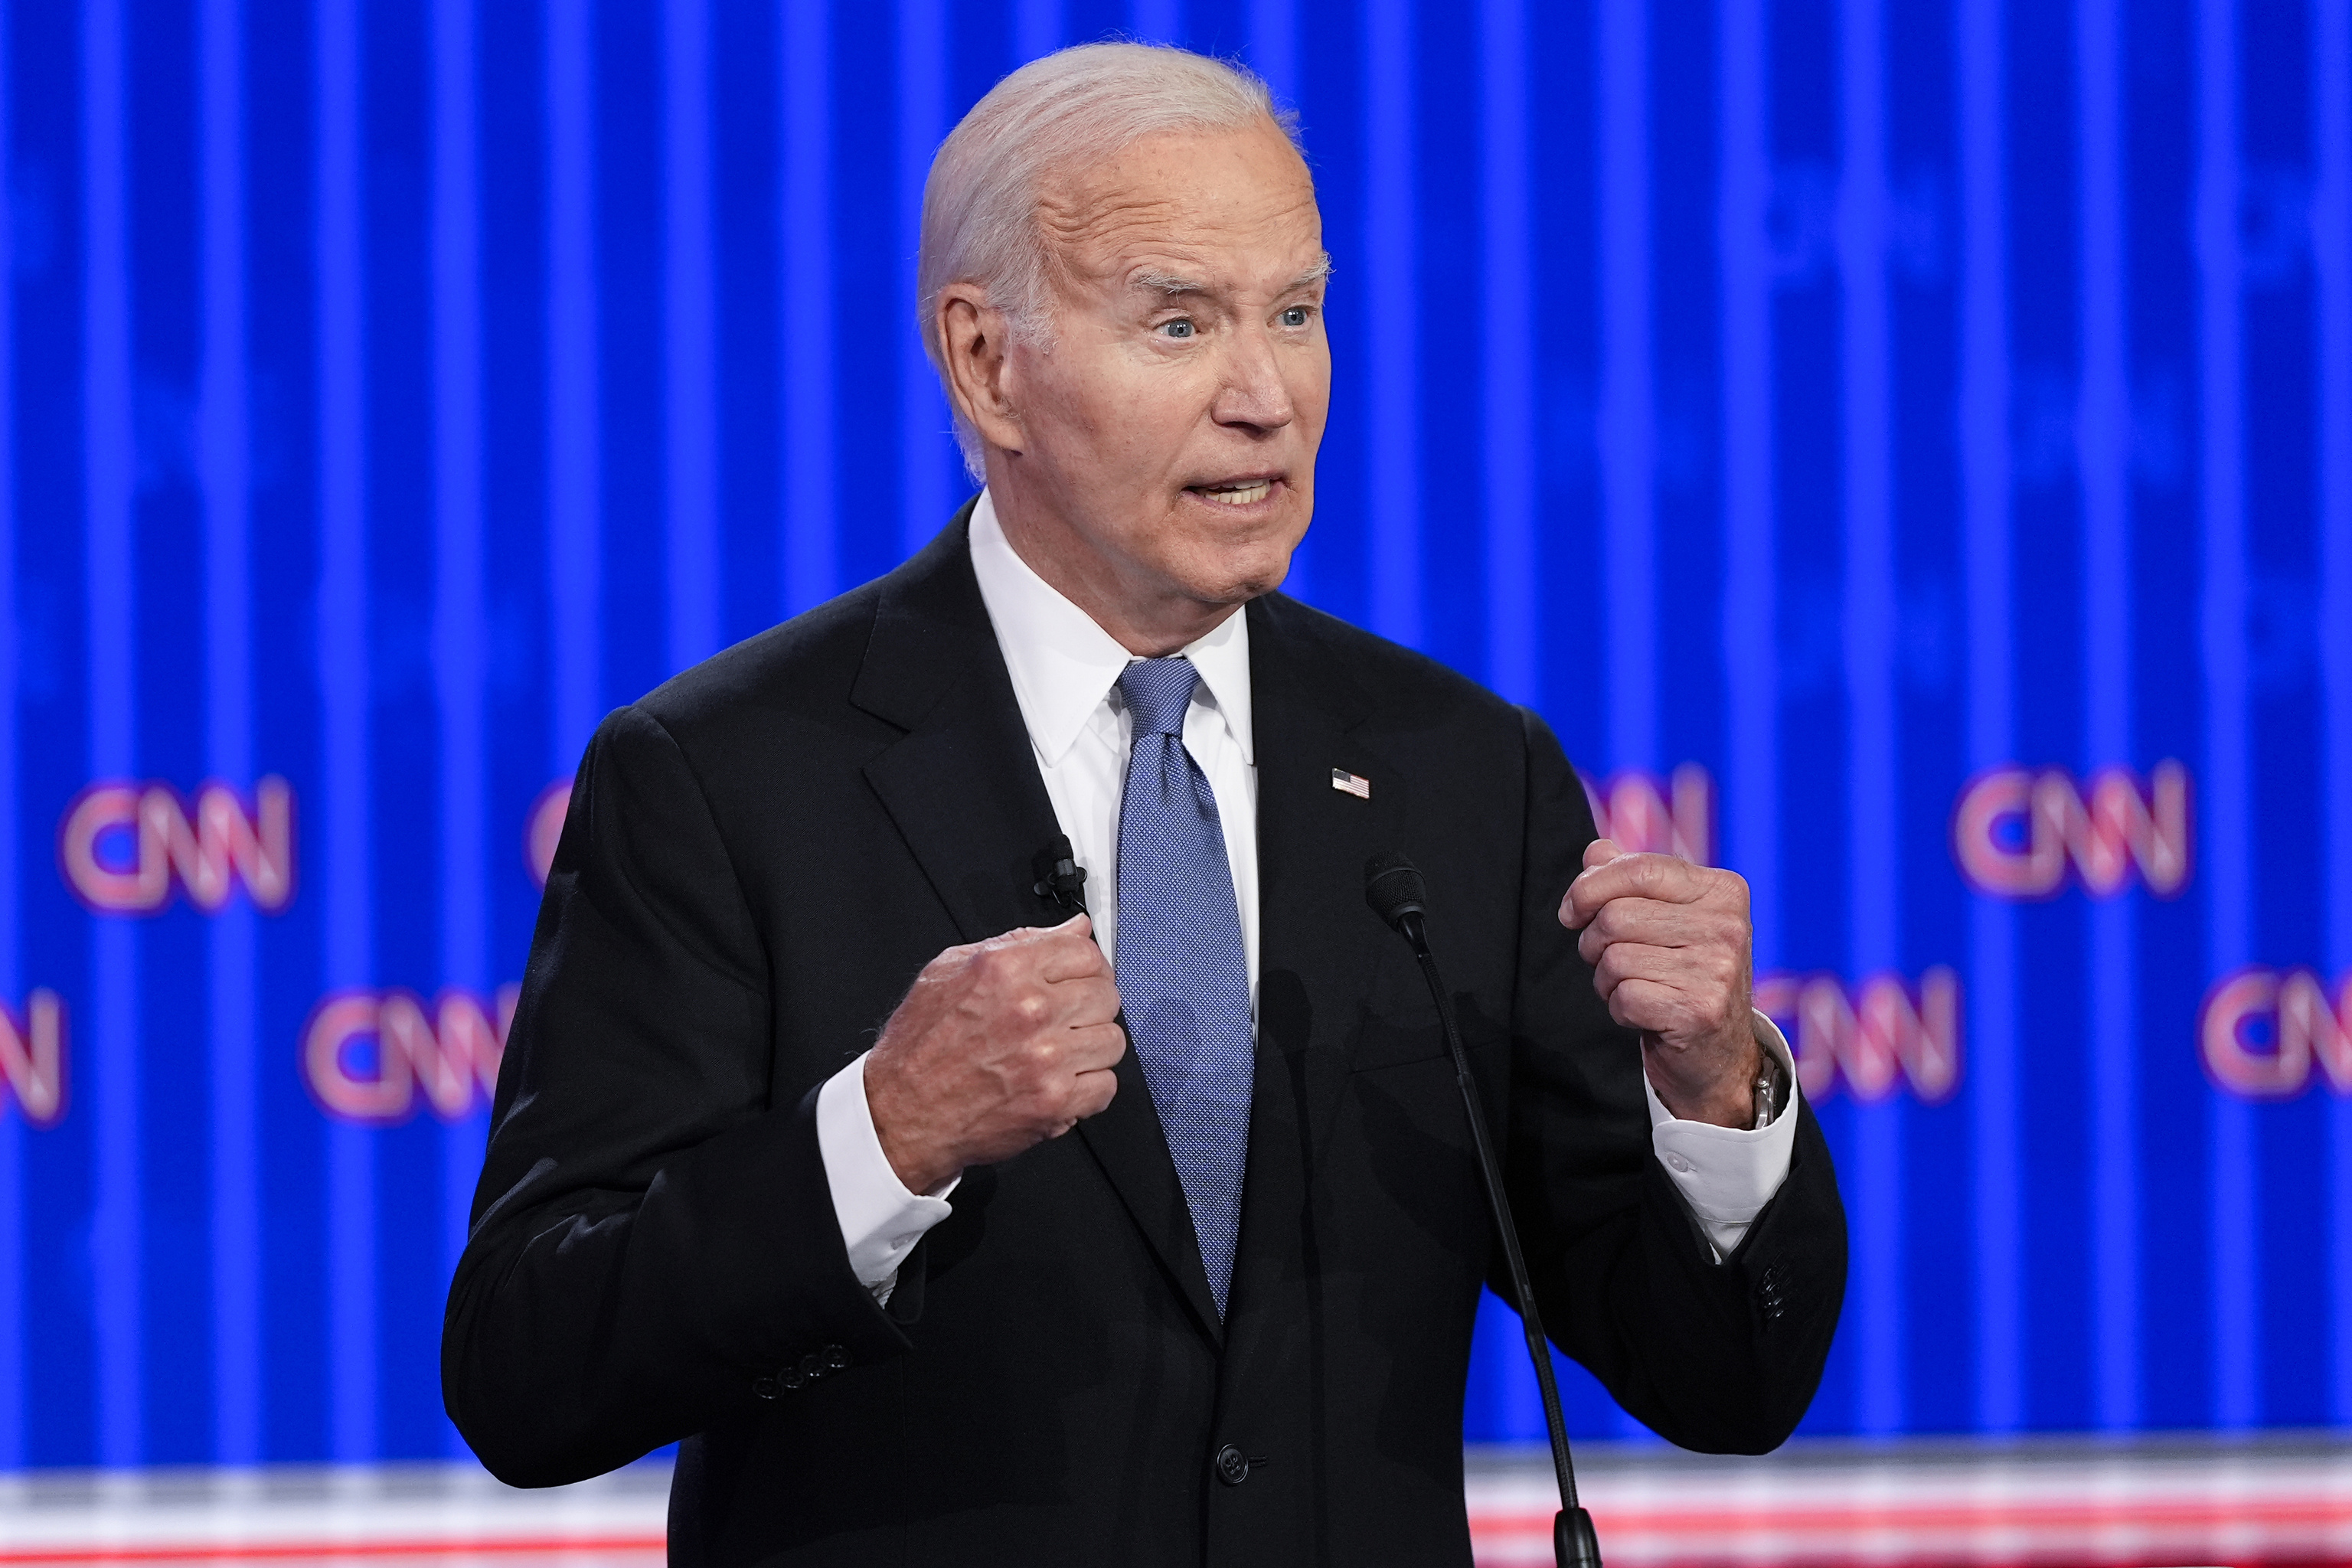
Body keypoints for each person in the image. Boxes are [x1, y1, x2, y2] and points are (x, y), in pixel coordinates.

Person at [443, 42, 1845, 1568]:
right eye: (1180, 320)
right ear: (986, 364)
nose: (1266, 396)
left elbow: (1724, 1380)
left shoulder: (1461, 769)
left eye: (1296, 313)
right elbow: (529, 1365)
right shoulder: (724, 777)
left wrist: (1716, 1094)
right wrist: (880, 1140)